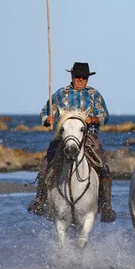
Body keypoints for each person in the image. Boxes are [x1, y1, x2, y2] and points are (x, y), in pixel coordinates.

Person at [27, 62, 117, 222]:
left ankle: (106, 207)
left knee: (103, 167)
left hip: (88, 135)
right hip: (64, 137)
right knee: (46, 165)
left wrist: (94, 118)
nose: (81, 80)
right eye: (78, 77)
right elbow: (45, 112)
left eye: (84, 77)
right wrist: (47, 119)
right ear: (72, 76)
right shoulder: (60, 94)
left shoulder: (94, 95)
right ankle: (39, 201)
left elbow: (105, 115)